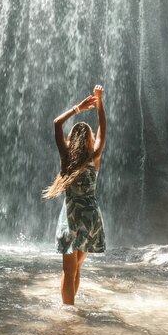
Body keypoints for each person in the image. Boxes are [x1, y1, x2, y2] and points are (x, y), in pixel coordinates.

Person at [43, 84, 107, 306]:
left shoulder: (66, 159)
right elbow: (102, 130)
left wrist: (78, 109)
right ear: (89, 140)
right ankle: (71, 307)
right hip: (90, 219)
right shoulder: (94, 157)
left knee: (68, 271)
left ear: (71, 139)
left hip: (70, 218)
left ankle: (68, 313)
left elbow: (56, 123)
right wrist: (99, 101)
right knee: (76, 268)